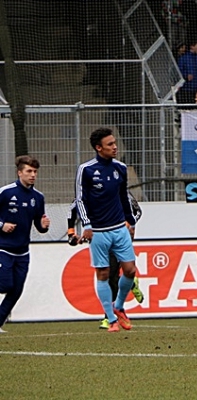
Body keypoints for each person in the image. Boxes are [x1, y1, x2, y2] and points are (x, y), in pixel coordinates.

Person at [75, 128, 139, 332]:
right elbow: (80, 200)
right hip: (99, 231)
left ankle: (119, 306)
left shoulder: (120, 168)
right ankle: (111, 319)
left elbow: (124, 198)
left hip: (119, 228)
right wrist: (86, 224)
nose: (115, 147)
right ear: (98, 147)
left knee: (130, 270)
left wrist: (131, 222)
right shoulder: (86, 169)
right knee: (103, 273)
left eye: (115, 143)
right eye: (110, 144)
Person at [68, 194, 145, 329]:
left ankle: (111, 314)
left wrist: (128, 223)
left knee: (116, 275)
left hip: (118, 235)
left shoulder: (118, 186)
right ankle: (110, 316)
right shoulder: (87, 187)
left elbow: (137, 211)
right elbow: (73, 208)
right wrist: (71, 232)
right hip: (100, 236)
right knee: (108, 275)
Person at [0, 155, 50, 332]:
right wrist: (2, 225)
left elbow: (39, 224)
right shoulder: (6, 192)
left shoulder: (38, 197)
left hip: (22, 252)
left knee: (16, 290)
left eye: (35, 171)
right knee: (5, 285)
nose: (33, 175)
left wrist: (43, 226)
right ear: (19, 172)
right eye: (29, 171)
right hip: (3, 248)